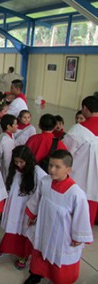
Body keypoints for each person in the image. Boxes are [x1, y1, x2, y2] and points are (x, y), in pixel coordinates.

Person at [24, 150, 93, 284]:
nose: (52, 170)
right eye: (50, 165)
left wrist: (78, 237)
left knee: (59, 259)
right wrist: (32, 215)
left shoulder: (76, 194)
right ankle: (36, 274)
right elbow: (36, 199)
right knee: (39, 250)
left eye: (57, 167)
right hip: (44, 226)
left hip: (63, 234)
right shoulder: (45, 181)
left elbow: (81, 217)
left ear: (68, 169)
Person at [0, 146, 46, 270]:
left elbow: (44, 188)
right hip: (14, 204)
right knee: (12, 227)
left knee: (25, 230)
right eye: (16, 161)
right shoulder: (14, 169)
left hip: (27, 207)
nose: (19, 165)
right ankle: (6, 248)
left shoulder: (37, 172)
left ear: (28, 160)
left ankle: (23, 256)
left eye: (22, 162)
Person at [63, 96, 98, 228]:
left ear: (84, 109)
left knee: (74, 215)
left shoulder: (78, 130)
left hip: (78, 178)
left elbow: (64, 152)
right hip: (96, 181)